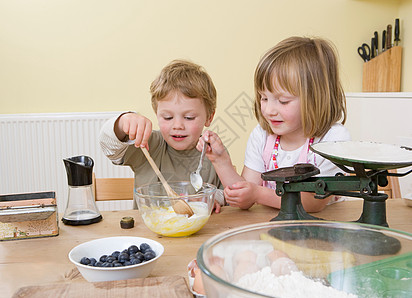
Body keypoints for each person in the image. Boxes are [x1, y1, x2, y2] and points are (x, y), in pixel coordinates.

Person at [198, 36, 350, 212]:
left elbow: (314, 202)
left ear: (316, 99)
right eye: (263, 98)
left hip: (321, 230)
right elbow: (244, 198)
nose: (269, 110)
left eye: (283, 101)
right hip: (272, 229)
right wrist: (220, 160)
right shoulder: (262, 136)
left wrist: (258, 194)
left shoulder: (333, 139)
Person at [99, 59, 224, 211]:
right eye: (167, 117)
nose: (177, 125)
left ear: (209, 117)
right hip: (147, 233)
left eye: (189, 117)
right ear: (157, 114)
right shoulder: (149, 144)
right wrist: (122, 122)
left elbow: (227, 194)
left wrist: (215, 198)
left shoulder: (213, 153)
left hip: (204, 233)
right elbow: (109, 148)